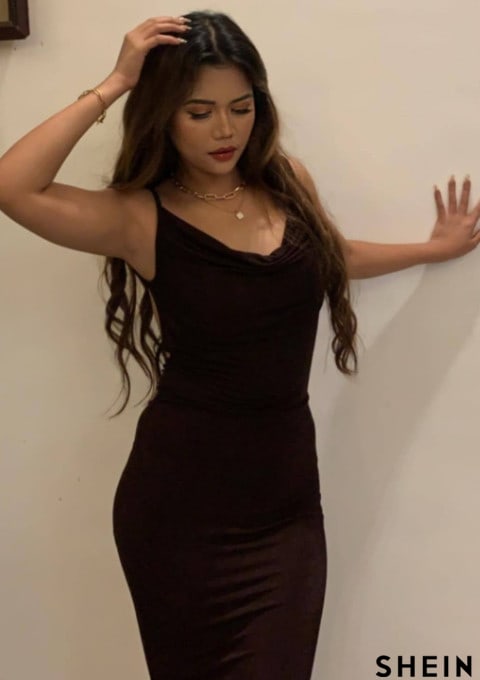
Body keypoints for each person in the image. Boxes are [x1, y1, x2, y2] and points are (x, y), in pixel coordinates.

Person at [1, 10, 479, 680]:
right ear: (164, 114)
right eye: (199, 112)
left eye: (241, 107)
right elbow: (13, 186)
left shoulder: (285, 182)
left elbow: (330, 256)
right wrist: (116, 81)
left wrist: (431, 250)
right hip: (178, 513)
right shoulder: (140, 218)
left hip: (285, 509)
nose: (225, 130)